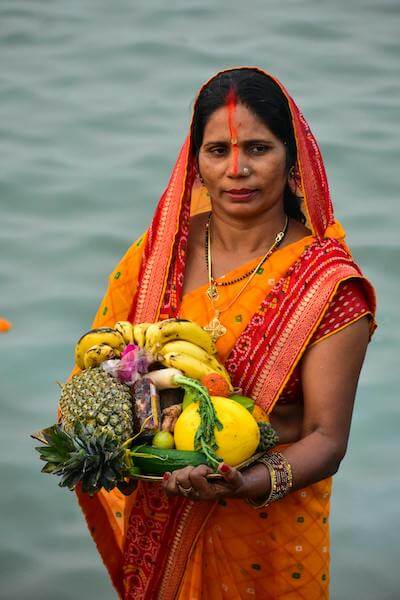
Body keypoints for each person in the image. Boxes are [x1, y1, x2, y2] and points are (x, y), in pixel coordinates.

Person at [72, 67, 376, 599]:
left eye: (258, 148)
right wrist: (114, 447)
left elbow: (327, 439)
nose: (237, 170)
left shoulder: (327, 284)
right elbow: (102, 366)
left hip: (266, 538)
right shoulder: (157, 255)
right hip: (161, 515)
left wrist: (244, 483)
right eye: (217, 151)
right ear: (196, 162)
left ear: (292, 158)